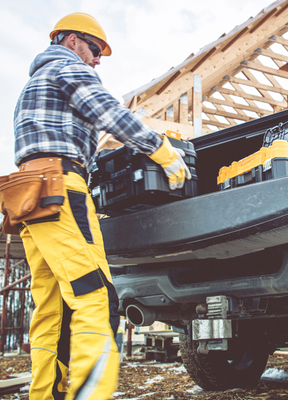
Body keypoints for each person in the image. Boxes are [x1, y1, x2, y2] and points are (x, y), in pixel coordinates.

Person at [13, 12, 191, 400]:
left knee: (52, 311)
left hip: (29, 199)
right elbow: (108, 112)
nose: (97, 60)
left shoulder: (35, 82)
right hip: (61, 189)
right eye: (95, 50)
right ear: (72, 40)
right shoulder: (67, 67)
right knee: (96, 296)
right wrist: (161, 150)